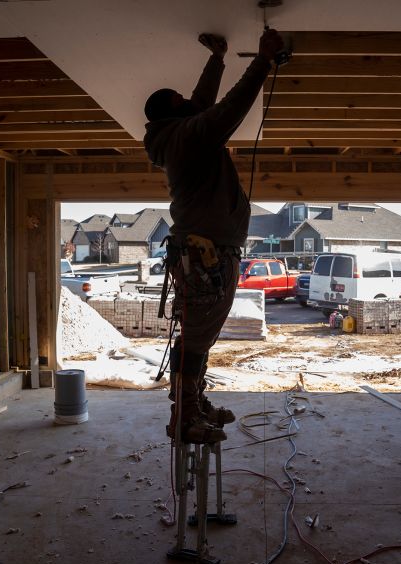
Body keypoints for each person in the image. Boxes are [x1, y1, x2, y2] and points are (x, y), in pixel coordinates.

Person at [143, 29, 284, 444]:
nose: (190, 103)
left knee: (199, 336)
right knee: (198, 337)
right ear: (174, 112)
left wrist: (218, 59)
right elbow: (224, 111)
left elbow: (200, 104)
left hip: (207, 255)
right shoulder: (188, 138)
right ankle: (184, 418)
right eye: (182, 102)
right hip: (205, 257)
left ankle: (193, 404)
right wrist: (261, 62)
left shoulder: (180, 134)